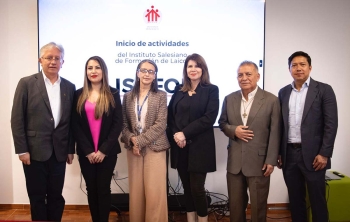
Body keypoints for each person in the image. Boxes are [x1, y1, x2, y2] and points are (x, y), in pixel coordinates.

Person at [10, 42, 75, 221]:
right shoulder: (27, 83)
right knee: (37, 196)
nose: (53, 61)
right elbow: (17, 119)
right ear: (40, 60)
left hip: (59, 152)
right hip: (33, 151)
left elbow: (70, 122)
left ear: (63, 62)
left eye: (57, 58)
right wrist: (22, 150)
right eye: (49, 58)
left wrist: (70, 149)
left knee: (56, 196)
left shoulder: (69, 87)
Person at [277, 51, 338, 222]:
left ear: (310, 67)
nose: (298, 68)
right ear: (289, 69)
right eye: (294, 65)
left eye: (302, 64)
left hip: (315, 156)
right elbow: (280, 126)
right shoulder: (283, 93)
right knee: (295, 201)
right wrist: (279, 153)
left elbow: (331, 124)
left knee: (317, 200)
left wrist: (325, 153)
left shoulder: (324, 90)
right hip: (289, 155)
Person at [218, 61, 281, 222]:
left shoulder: (271, 100)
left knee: (258, 206)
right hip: (235, 162)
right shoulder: (229, 98)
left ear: (257, 76)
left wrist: (271, 160)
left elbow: (275, 132)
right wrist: (234, 130)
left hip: (259, 162)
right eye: (240, 75)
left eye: (248, 74)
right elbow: (222, 123)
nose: (244, 78)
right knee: (235, 206)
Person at [167, 53, 219, 222]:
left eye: (197, 66)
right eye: (190, 66)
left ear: (203, 69)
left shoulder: (211, 90)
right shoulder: (178, 90)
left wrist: (184, 133)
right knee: (187, 189)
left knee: (197, 188)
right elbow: (170, 116)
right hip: (180, 147)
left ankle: (203, 220)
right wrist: (176, 134)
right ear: (185, 70)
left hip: (199, 148)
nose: (193, 69)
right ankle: (191, 219)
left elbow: (209, 118)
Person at [72, 56, 123, 222]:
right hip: (86, 153)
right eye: (90, 68)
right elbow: (75, 125)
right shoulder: (78, 94)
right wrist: (88, 151)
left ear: (104, 71)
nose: (93, 71)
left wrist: (103, 150)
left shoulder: (113, 93)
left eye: (97, 67)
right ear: (86, 72)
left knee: (103, 189)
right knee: (91, 189)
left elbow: (118, 124)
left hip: (107, 152)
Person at [120, 59, 170, 222]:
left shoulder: (161, 95)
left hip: (155, 147)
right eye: (144, 70)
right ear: (137, 73)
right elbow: (124, 124)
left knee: (155, 192)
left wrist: (139, 141)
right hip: (133, 149)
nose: (147, 74)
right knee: (136, 192)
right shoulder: (127, 96)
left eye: (151, 71)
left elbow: (161, 123)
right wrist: (132, 139)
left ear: (155, 76)